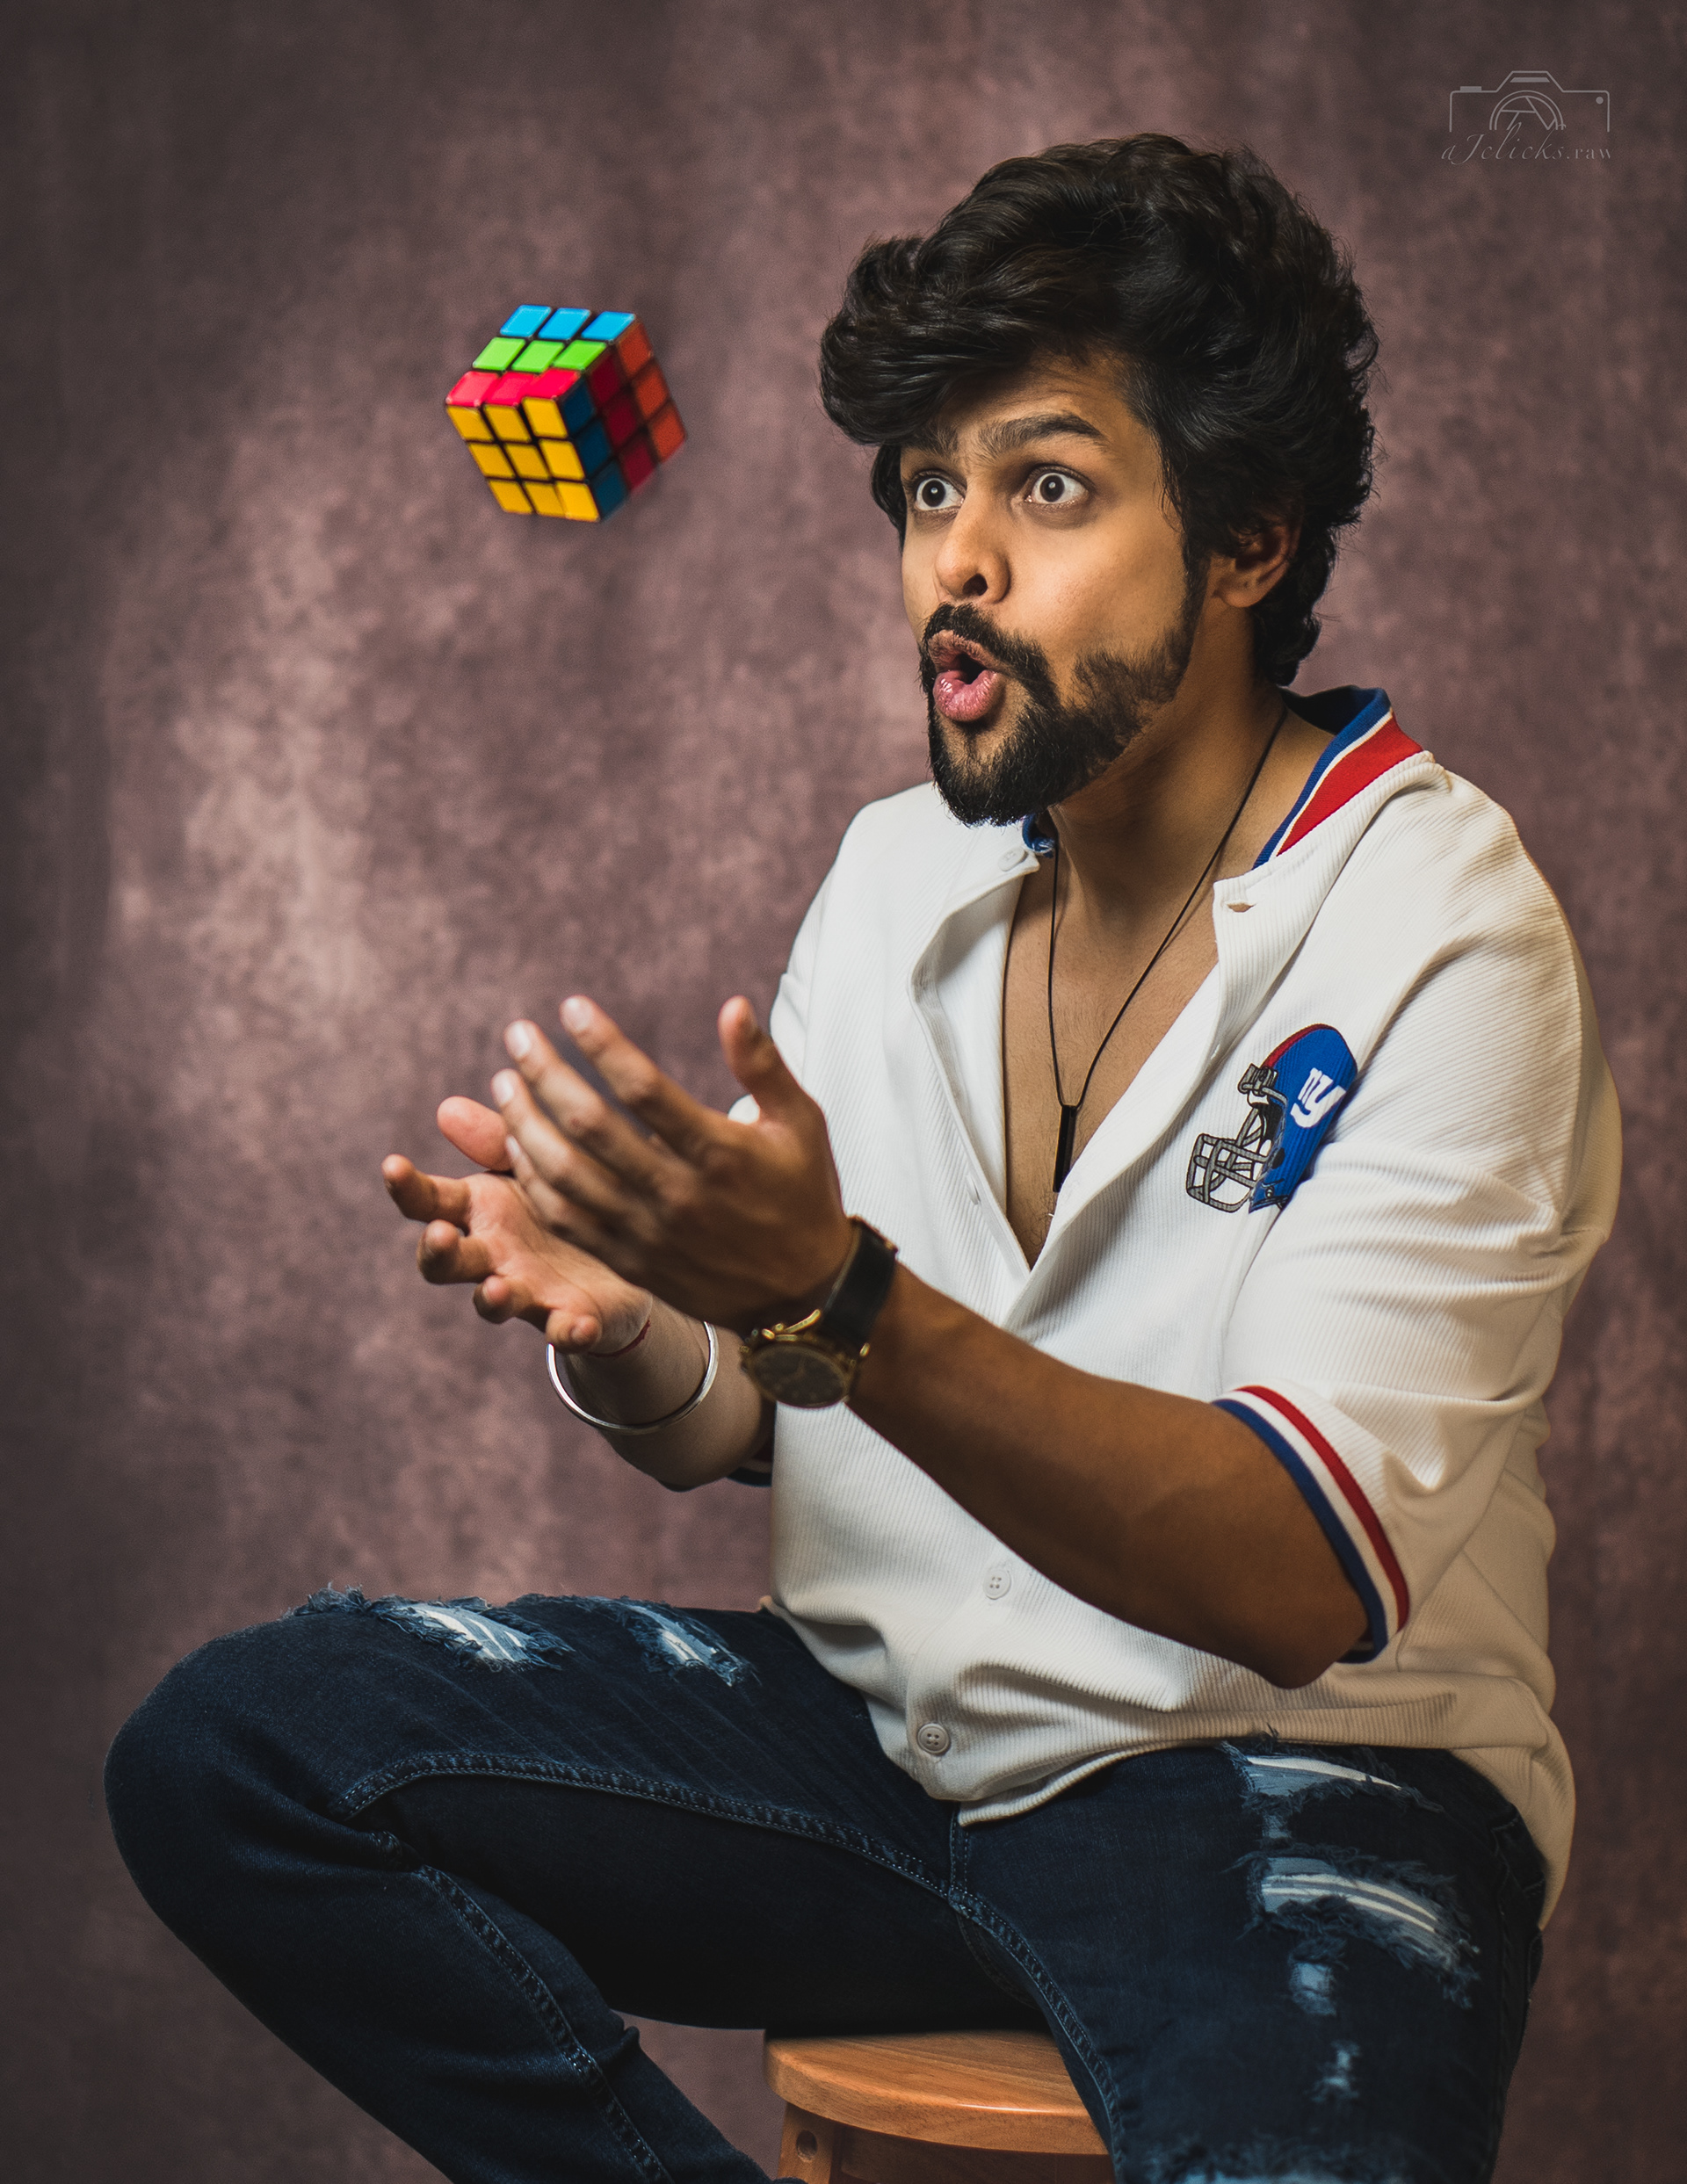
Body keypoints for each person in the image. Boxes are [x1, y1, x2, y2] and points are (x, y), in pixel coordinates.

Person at [105, 135, 1619, 2184]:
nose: (952, 565)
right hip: (891, 1750)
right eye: (925, 490)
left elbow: (1289, 1571)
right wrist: (651, 1328)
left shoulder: (1441, 919)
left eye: (1045, 486)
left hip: (1295, 1794)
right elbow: (791, 1410)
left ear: (1249, 540)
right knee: (239, 1753)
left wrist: (831, 1293)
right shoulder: (897, 876)